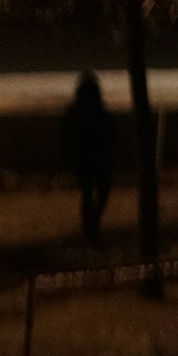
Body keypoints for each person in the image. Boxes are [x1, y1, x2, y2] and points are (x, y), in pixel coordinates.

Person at [65, 67, 114, 244]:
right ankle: (91, 225)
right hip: (96, 155)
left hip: (85, 156)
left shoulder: (77, 111)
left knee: (89, 192)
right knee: (100, 191)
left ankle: (90, 225)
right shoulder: (96, 110)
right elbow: (109, 131)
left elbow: (68, 134)